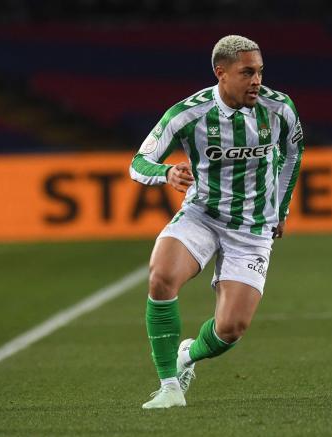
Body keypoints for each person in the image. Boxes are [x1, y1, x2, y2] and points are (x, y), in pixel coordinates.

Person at [129, 35, 304, 409]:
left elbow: (294, 153)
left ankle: (188, 355)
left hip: (253, 228)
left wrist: (282, 208)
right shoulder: (187, 114)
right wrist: (165, 174)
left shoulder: (279, 108)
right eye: (247, 72)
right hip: (202, 215)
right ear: (221, 73)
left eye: (259, 71)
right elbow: (138, 162)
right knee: (161, 276)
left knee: (230, 330)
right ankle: (169, 388)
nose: (257, 80)